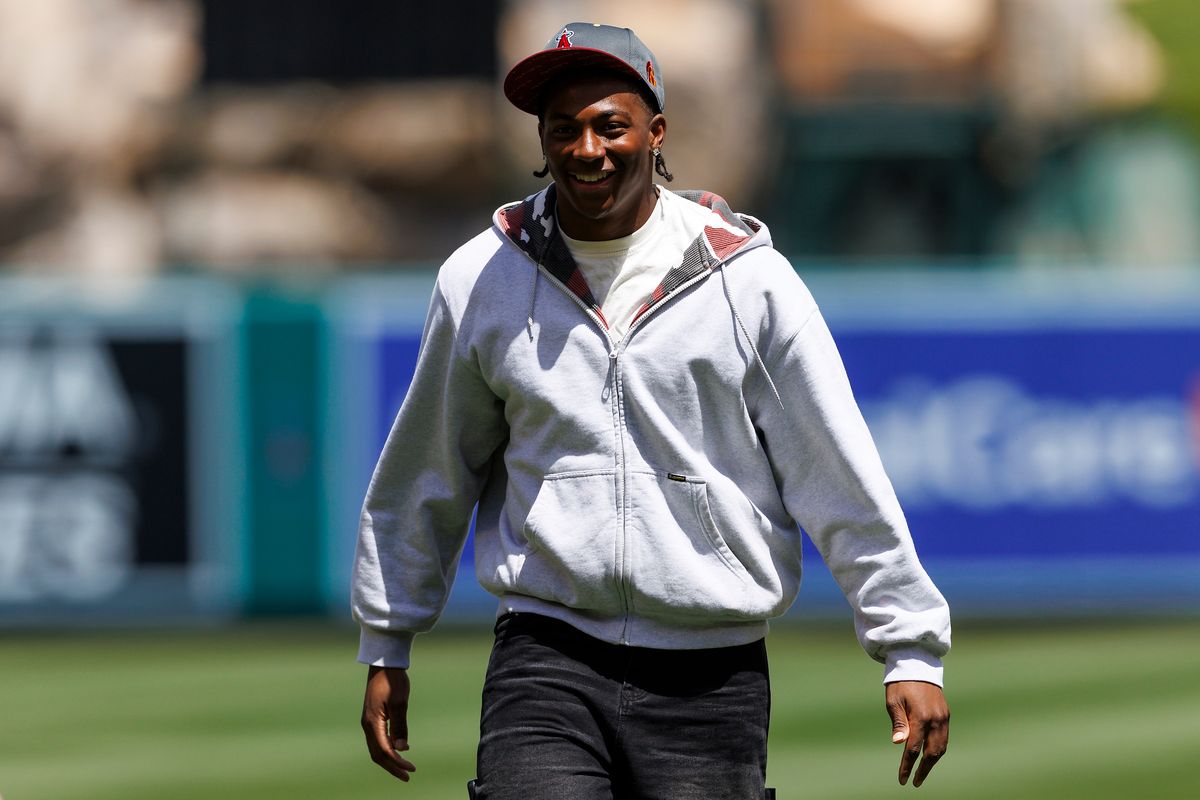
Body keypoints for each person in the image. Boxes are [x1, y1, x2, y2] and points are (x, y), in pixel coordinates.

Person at [354, 22, 951, 799]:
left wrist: (908, 648)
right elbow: (429, 465)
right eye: (563, 129)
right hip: (546, 655)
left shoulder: (746, 279)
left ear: (656, 132)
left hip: (712, 676)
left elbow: (833, 470)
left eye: (611, 125)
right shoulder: (483, 277)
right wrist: (387, 640)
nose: (587, 149)